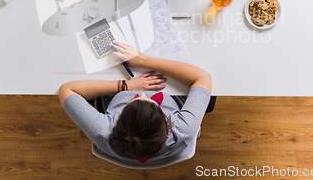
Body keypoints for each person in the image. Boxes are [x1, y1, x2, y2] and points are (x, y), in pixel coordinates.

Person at [59, 40, 212, 164]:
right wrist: (143, 60)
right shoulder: (183, 129)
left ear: (118, 121)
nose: (143, 94)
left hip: (120, 89)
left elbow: (67, 89)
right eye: (149, 101)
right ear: (166, 122)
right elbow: (203, 77)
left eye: (136, 99)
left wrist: (126, 86)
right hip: (169, 92)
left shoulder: (103, 130)